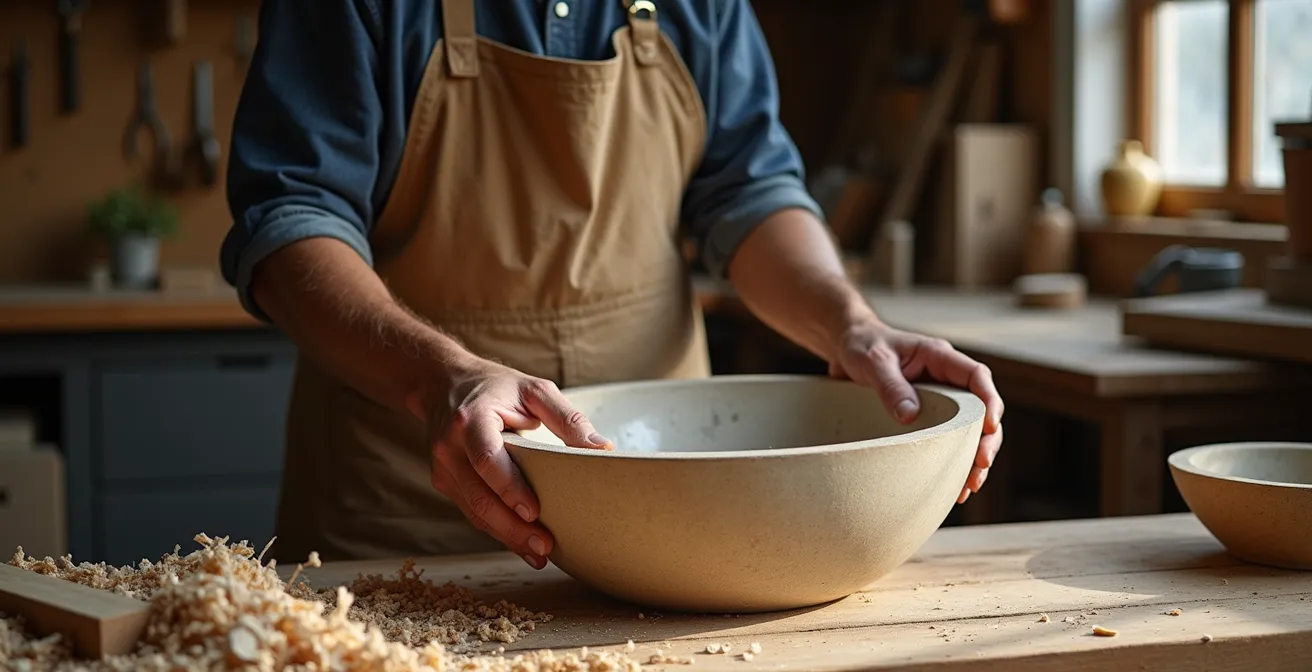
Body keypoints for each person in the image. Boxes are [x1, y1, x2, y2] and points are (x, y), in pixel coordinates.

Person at [220, 0, 1005, 568]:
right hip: (409, 516)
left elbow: (750, 195)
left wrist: (852, 325)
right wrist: (443, 379)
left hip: (674, 522)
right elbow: (290, 222)